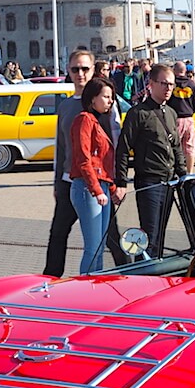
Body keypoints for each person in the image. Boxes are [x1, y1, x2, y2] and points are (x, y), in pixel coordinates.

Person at [42, 49, 126, 276]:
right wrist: (57, 182)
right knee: (59, 233)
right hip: (72, 180)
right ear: (68, 71)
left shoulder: (105, 105)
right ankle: (51, 277)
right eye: (75, 69)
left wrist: (118, 181)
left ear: (93, 70)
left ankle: (128, 274)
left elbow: (116, 146)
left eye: (85, 69)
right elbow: (61, 148)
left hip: (100, 182)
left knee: (110, 237)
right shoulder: (66, 106)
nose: (80, 74)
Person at [115, 63, 185, 256]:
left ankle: (157, 274)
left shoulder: (171, 113)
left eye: (171, 84)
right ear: (151, 84)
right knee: (149, 236)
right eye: (164, 83)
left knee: (161, 235)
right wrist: (121, 181)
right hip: (149, 182)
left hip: (169, 182)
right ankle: (143, 275)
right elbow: (123, 148)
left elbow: (176, 147)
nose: (168, 88)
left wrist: (184, 175)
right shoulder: (138, 113)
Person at [70, 77, 118, 274]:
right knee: (93, 247)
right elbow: (83, 159)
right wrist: (97, 190)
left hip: (101, 186)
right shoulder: (84, 119)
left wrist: (112, 187)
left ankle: (96, 285)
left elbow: (102, 163)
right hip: (87, 187)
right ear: (92, 98)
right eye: (106, 96)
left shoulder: (97, 121)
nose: (110, 101)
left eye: (111, 97)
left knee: (99, 246)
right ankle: (86, 287)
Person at [170, 61, 195, 173]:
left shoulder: (171, 84)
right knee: (190, 147)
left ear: (175, 71)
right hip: (189, 118)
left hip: (175, 118)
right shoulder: (193, 85)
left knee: (174, 146)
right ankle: (190, 171)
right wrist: (191, 111)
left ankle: (174, 170)